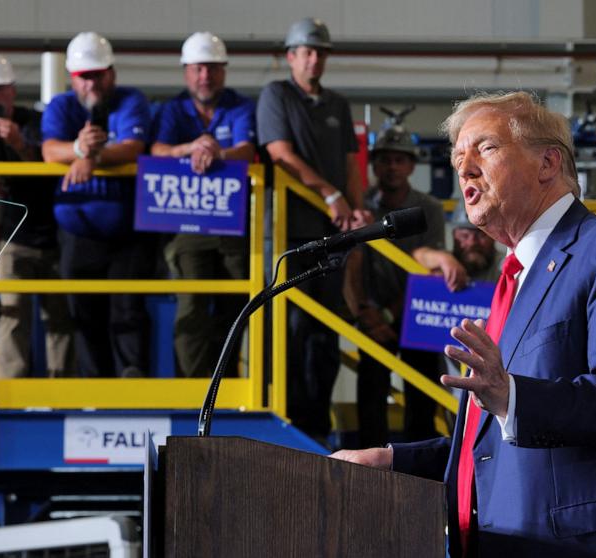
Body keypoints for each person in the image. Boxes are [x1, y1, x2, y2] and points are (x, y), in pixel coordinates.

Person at [332, 91, 596, 557]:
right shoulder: (511, 282)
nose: (465, 168)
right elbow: (495, 445)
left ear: (548, 163)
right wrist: (393, 461)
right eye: (458, 158)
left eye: (485, 148)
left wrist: (512, 394)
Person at [256, 17, 368, 441]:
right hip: (292, 233)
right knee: (291, 330)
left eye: (321, 51)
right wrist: (330, 196)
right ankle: (289, 421)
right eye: (307, 51)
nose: (315, 58)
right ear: (291, 57)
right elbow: (280, 155)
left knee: (325, 332)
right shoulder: (276, 96)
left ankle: (317, 423)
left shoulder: (337, 104)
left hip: (334, 234)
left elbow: (350, 165)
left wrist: (356, 209)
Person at [0, 51, 73, 378]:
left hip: (52, 235)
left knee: (60, 317)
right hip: (9, 241)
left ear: (12, 91)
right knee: (11, 313)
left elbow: (50, 161)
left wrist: (20, 144)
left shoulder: (35, 123)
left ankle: (61, 390)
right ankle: (11, 390)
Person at [42, 32, 154, 377]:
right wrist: (79, 150)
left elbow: (133, 146)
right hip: (77, 232)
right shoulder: (61, 106)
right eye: (83, 76)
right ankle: (95, 388)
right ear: (73, 78)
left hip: (128, 233)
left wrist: (93, 156)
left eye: (97, 74)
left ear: (111, 73)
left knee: (129, 310)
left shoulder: (130, 100)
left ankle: (132, 381)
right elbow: (49, 152)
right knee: (84, 313)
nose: (91, 82)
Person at [151, 32, 256, 377]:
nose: (205, 77)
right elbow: (157, 150)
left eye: (212, 69)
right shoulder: (171, 110)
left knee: (236, 305)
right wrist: (190, 148)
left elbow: (246, 149)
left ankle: (226, 384)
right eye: (198, 69)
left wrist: (216, 152)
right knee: (192, 305)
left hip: (231, 224)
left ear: (223, 71)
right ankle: (193, 387)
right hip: (186, 227)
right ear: (186, 72)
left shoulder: (239, 107)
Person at [343, 126, 448, 447]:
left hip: (416, 312)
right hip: (372, 314)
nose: (392, 167)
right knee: (371, 390)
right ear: (374, 166)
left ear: (411, 166)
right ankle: (368, 466)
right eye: (385, 160)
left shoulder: (429, 209)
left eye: (399, 160)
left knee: (424, 391)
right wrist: (364, 312)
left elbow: (427, 270)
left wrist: (388, 315)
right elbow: (352, 262)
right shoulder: (363, 208)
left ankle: (420, 463)